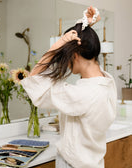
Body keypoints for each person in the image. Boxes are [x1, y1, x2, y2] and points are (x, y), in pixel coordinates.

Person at [21, 6, 117, 168]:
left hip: (72, 164)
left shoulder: (80, 94)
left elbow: (34, 78)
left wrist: (58, 45)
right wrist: (84, 26)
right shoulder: (107, 82)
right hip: (96, 163)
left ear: (75, 55)